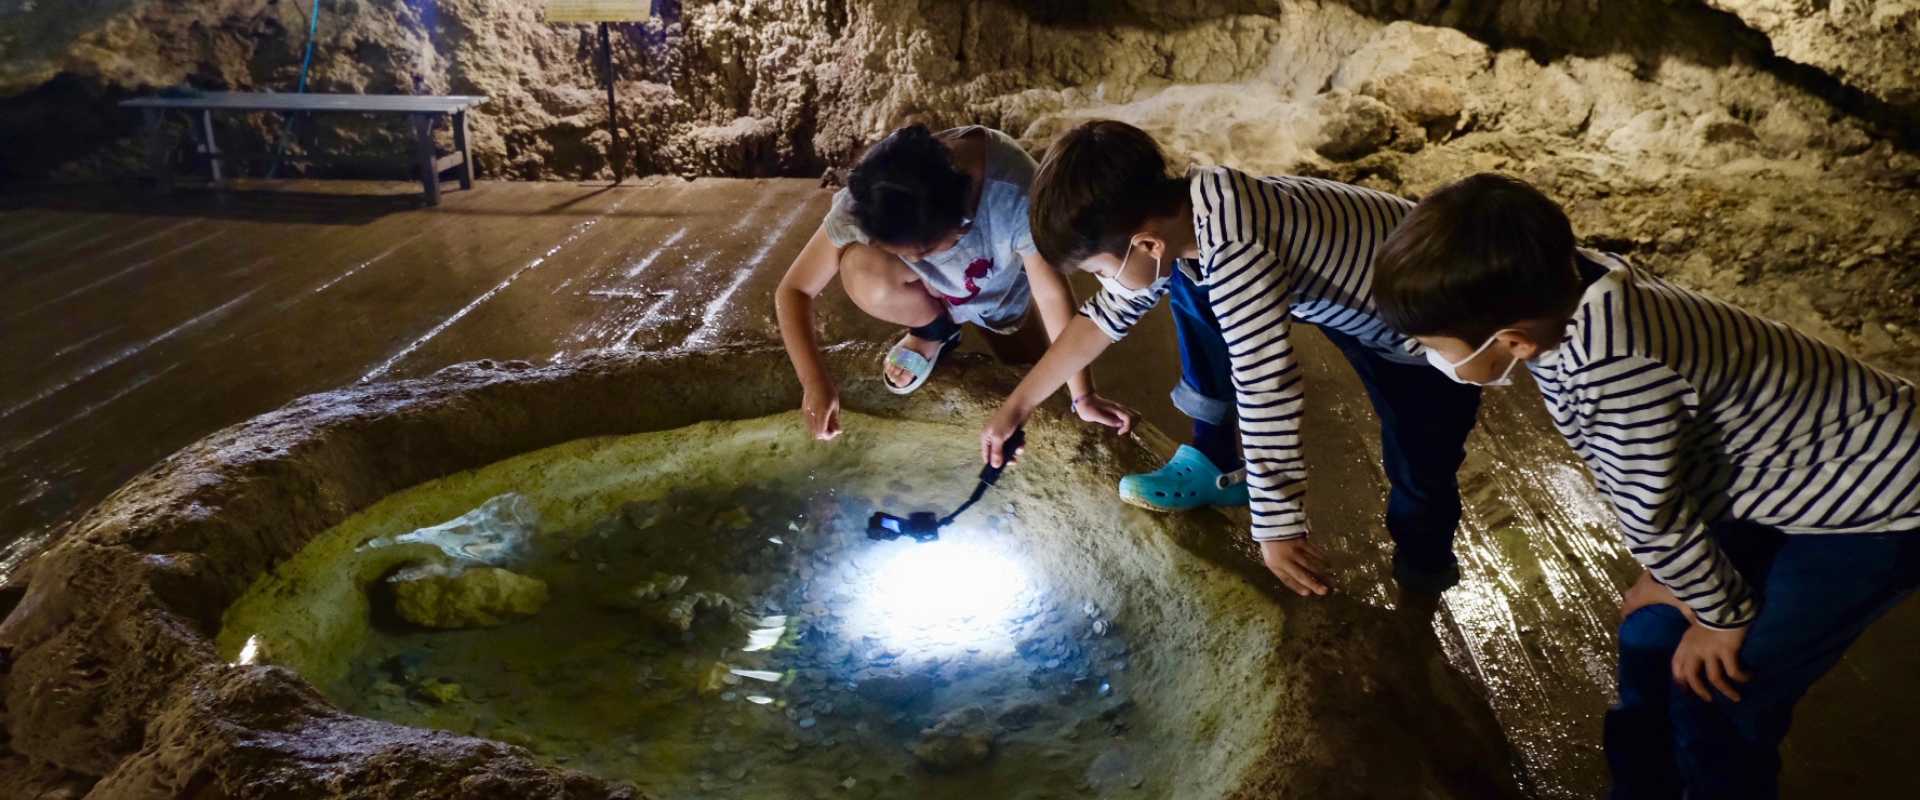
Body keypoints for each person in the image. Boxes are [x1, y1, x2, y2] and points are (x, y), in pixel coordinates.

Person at [1369, 172, 1920, 800]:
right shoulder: (1578, 284)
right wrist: (1676, 576)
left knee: (1718, 691)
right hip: (1778, 470)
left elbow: (1653, 510)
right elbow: (1672, 473)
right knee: (1652, 637)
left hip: (1879, 500)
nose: (1422, 353)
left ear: (1512, 341)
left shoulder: (1615, 369)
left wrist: (1720, 615)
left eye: (1429, 344)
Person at [980, 120, 1484, 602]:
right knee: (1188, 284)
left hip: (1428, 335)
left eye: (1096, 270)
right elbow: (1100, 319)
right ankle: (1213, 458)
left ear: (1147, 243)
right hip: (1348, 297)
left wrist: (1277, 525)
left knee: (1421, 466)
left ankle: (1422, 577)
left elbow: (1267, 386)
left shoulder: (1237, 251)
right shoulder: (1189, 209)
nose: (1100, 283)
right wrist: (1017, 406)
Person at [774, 124, 1135, 439]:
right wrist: (815, 383)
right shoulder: (875, 193)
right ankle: (933, 328)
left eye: (926, 250)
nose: (916, 263)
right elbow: (793, 290)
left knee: (1031, 380)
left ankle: (967, 325)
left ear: (963, 220)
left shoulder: (1016, 194)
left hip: (998, 293)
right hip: (939, 297)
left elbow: (1051, 295)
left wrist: (1082, 395)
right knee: (862, 268)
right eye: (901, 253)